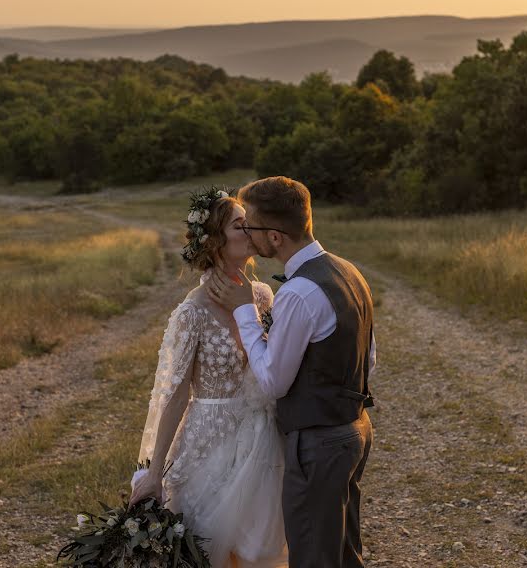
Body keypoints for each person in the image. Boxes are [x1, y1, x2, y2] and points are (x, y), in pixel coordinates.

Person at [208, 176, 375, 568]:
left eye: (250, 226)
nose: (247, 234)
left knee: (315, 555)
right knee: (344, 552)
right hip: (356, 429)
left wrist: (244, 310)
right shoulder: (348, 271)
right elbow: (369, 360)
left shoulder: (299, 294)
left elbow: (273, 382)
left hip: (318, 443)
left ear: (275, 237)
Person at [130, 187, 287, 568]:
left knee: (257, 549)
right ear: (216, 242)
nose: (250, 229)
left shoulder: (262, 295)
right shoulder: (193, 312)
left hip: (262, 440)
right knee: (207, 546)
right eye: (239, 225)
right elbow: (176, 395)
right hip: (209, 441)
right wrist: (154, 474)